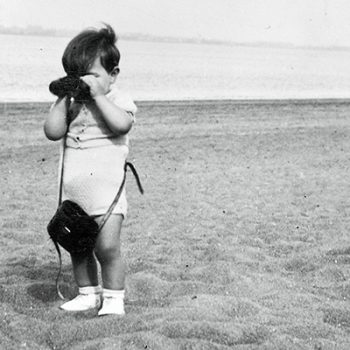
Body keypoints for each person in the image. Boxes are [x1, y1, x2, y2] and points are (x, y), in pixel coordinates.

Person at [44, 24, 137, 316]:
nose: (84, 83)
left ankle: (113, 299)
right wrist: (63, 97)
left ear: (113, 74)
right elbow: (52, 132)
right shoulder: (71, 104)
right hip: (75, 193)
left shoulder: (118, 99)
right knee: (77, 244)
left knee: (107, 247)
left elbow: (122, 124)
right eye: (77, 76)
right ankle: (87, 293)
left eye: (92, 76)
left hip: (107, 193)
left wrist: (98, 96)